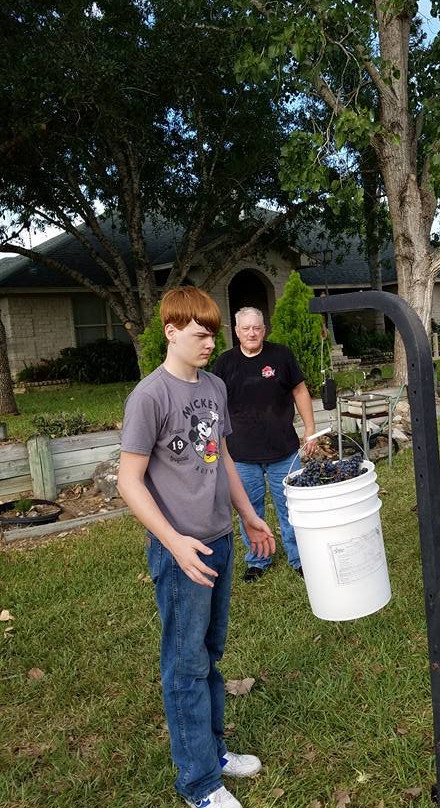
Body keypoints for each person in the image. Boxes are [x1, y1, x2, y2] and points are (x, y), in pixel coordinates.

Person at [117, 287, 276, 808]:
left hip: (220, 541)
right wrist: (174, 543)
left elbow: (221, 456)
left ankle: (212, 750)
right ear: (171, 331)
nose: (211, 342)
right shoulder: (150, 396)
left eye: (214, 333)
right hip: (181, 551)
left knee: (209, 654)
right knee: (184, 664)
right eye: (200, 333)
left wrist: (250, 517)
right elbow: (129, 482)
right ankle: (199, 784)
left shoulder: (212, 386)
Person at [212, 307, 316, 582]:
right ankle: (258, 560)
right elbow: (214, 406)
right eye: (245, 329)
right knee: (249, 509)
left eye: (256, 328)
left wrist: (310, 429)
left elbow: (300, 391)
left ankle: (299, 557)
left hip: (283, 449)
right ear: (236, 332)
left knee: (291, 507)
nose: (251, 333)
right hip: (242, 454)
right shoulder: (224, 364)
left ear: (264, 329)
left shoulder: (281, 355)